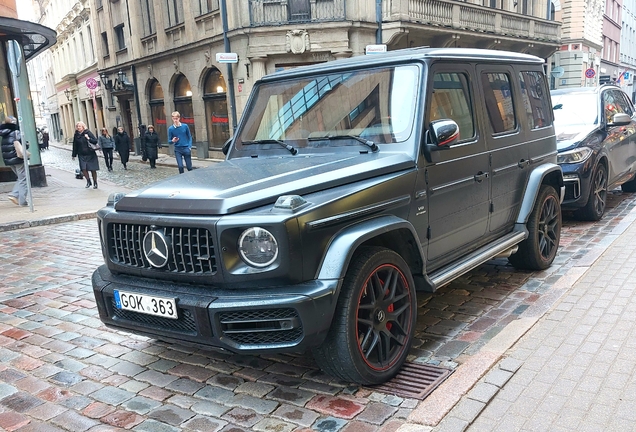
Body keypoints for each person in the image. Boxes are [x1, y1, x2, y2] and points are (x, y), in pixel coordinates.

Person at [0, 116, 28, 206]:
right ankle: (19, 198)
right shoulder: (15, 132)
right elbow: (22, 144)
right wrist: (27, 145)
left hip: (9, 159)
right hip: (17, 158)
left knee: (21, 178)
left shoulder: (4, 133)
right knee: (24, 179)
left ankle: (17, 196)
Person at [72, 121, 100, 189]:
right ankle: (88, 181)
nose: (78, 127)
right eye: (77, 126)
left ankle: (95, 182)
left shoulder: (88, 133)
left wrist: (88, 138)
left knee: (93, 169)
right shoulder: (76, 135)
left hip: (90, 154)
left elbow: (95, 141)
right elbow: (75, 145)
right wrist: (74, 154)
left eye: (80, 126)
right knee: (83, 168)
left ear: (83, 127)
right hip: (81, 154)